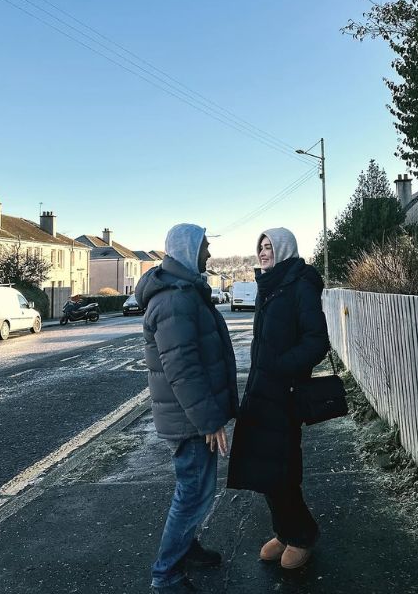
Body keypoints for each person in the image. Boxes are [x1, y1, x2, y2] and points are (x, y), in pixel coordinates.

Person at [135, 223, 238, 594]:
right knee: (193, 493)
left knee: (194, 490)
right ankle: (166, 575)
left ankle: (186, 548)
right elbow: (182, 369)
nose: (209, 253)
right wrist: (210, 420)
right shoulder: (175, 299)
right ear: (188, 250)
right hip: (190, 419)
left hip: (191, 415)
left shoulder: (185, 292)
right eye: (205, 247)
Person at [227, 228, 330, 570]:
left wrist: (282, 368)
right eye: (261, 247)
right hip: (261, 389)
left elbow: (317, 341)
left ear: (284, 249)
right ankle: (284, 531)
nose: (264, 252)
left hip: (285, 391)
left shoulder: (299, 285)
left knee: (283, 466)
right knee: (263, 464)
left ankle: (302, 535)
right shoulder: (270, 286)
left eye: (270, 247)